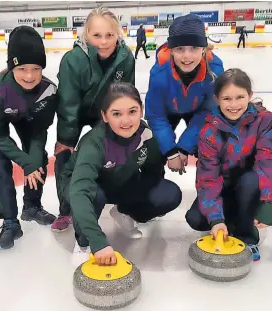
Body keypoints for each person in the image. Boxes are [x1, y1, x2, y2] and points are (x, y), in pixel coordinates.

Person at [59, 82, 182, 266]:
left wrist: (140, 204)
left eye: (132, 111)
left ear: (141, 110)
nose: (126, 121)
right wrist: (97, 241)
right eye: (116, 114)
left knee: (168, 193)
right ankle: (83, 241)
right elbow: (80, 191)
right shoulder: (94, 143)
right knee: (94, 195)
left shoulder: (146, 134)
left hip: (119, 181)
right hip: (83, 187)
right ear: (105, 116)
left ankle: (123, 212)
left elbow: (154, 170)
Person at [51, 7, 136, 232]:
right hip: (76, 112)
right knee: (64, 155)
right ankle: (66, 209)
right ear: (86, 35)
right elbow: (68, 102)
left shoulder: (126, 57)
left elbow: (126, 94)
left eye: (109, 35)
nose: (104, 41)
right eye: (96, 35)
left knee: (111, 152)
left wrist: (117, 125)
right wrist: (67, 140)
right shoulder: (73, 60)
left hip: (106, 112)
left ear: (118, 34)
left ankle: (115, 202)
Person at [0, 25, 59, 250]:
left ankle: (32, 206)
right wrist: (24, 162)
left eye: (36, 68)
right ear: (11, 66)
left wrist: (32, 162)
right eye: (21, 68)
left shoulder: (48, 91)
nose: (29, 76)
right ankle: (10, 221)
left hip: (28, 113)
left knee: (37, 155)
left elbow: (40, 132)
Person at [187, 68, 272, 262]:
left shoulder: (266, 121)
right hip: (224, 188)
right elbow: (208, 179)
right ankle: (230, 221)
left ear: (250, 95)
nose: (234, 104)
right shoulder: (209, 132)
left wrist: (269, 203)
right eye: (226, 98)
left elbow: (267, 161)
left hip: (251, 186)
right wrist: (216, 219)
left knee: (249, 180)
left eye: (240, 97)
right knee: (196, 219)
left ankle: (248, 235)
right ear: (217, 98)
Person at [145, 13, 224, 181]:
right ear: (171, 49)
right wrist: (171, 151)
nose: (187, 56)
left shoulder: (215, 71)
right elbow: (155, 115)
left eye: (193, 48)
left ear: (203, 49)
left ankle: (208, 190)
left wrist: (184, 147)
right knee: (152, 150)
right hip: (167, 111)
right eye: (180, 49)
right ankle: (152, 186)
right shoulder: (159, 73)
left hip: (197, 111)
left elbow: (207, 112)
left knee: (211, 144)